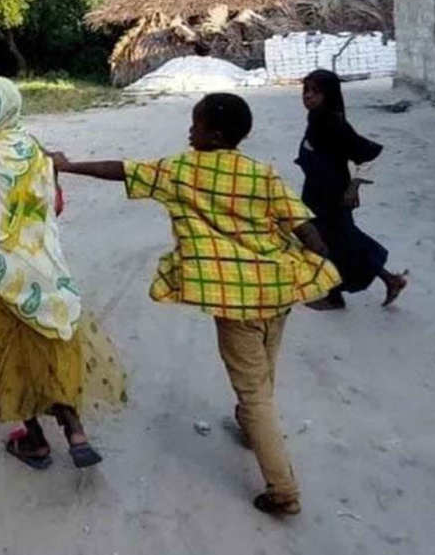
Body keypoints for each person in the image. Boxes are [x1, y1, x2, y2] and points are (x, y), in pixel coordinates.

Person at [52, 94, 340, 518]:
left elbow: (123, 170)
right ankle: (248, 425)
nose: (191, 132)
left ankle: (283, 491)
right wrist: (321, 268)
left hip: (235, 301)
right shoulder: (262, 174)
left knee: (255, 391)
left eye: (196, 125)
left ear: (216, 134)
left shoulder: (181, 171)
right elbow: (303, 226)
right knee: (265, 365)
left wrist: (68, 164)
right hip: (279, 289)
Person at [0, 78, 125, 470]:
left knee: (13, 355)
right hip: (49, 271)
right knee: (54, 345)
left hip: (7, 280)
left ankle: (35, 442)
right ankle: (75, 431)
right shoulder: (35, 150)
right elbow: (52, 207)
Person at [297, 69, 408, 309]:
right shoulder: (317, 119)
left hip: (332, 196)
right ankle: (389, 280)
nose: (308, 96)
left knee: (334, 243)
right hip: (317, 193)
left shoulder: (334, 124)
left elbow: (367, 154)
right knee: (341, 241)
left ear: (329, 95)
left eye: (315, 92)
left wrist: (353, 187)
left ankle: (334, 294)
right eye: (306, 91)